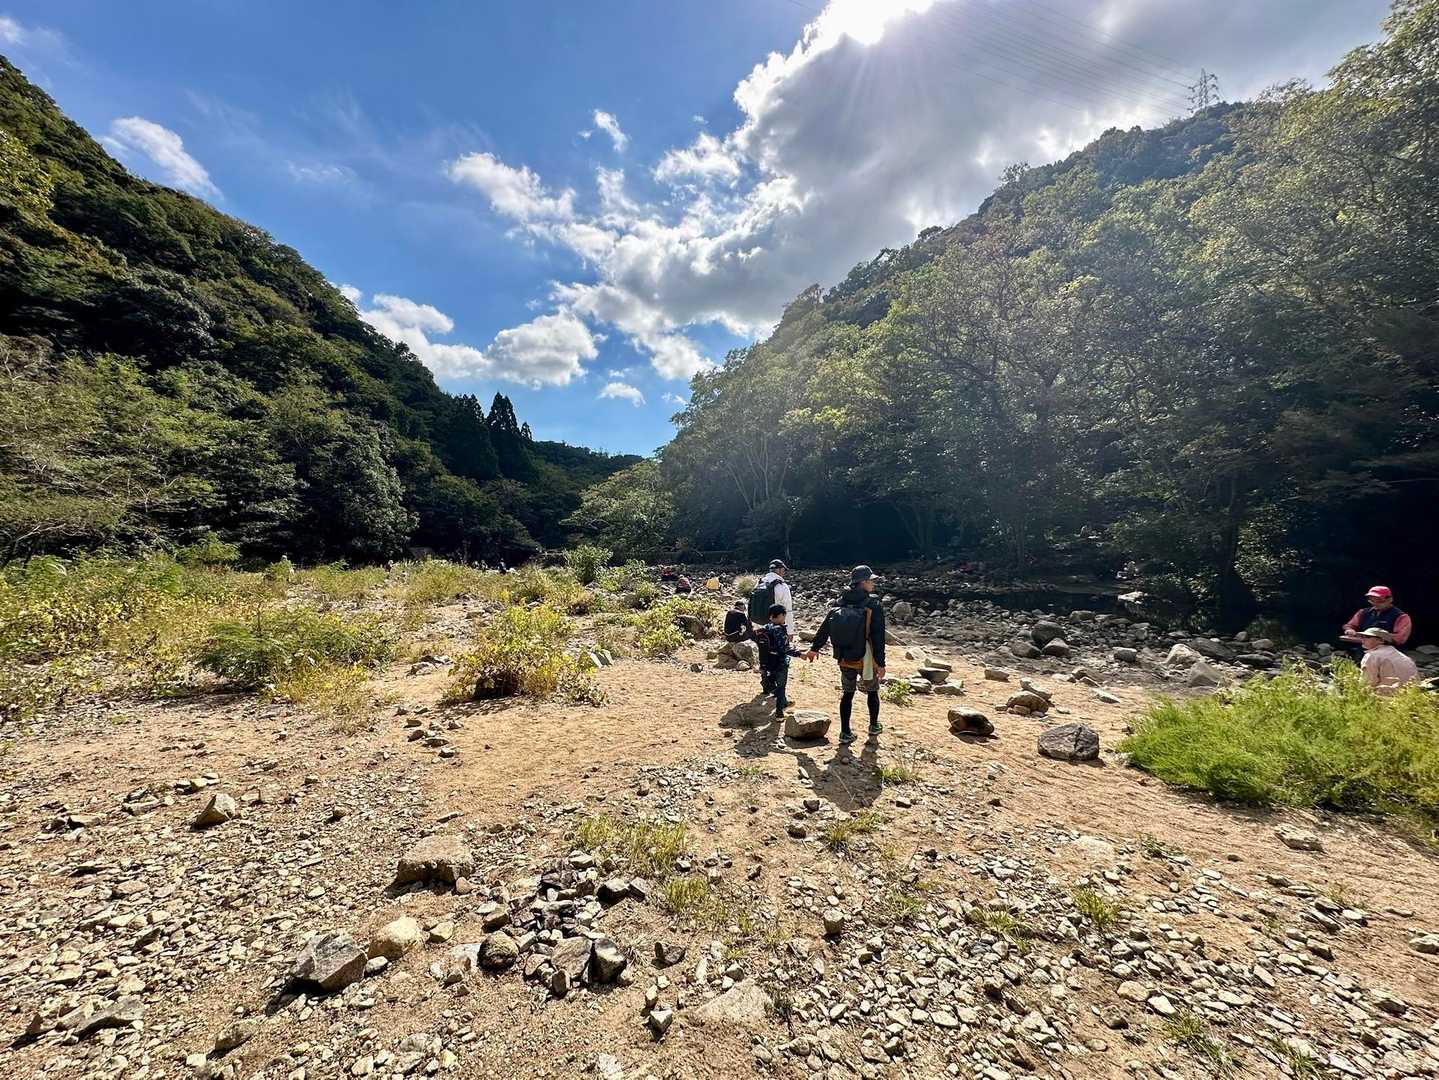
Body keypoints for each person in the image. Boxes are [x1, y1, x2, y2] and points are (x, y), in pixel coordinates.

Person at [806, 565, 886, 745]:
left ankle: (845, 732)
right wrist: (880, 663)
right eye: (871, 580)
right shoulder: (873, 604)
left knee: (847, 694)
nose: (873, 583)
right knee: (872, 691)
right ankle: (874, 726)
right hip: (866, 657)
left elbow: (825, 627)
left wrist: (814, 648)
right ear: (863, 582)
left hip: (845, 656)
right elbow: (878, 636)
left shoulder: (839, 602)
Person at [757, 603, 802, 718]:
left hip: (768, 661)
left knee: (775, 683)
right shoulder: (779, 630)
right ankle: (779, 714)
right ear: (781, 615)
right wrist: (800, 654)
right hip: (780, 661)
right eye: (784, 615)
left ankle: (783, 701)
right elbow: (785, 649)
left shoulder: (765, 628)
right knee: (781, 687)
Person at [1341, 585, 1411, 648]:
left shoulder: (1401, 616)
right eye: (1372, 601)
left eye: (1379, 601)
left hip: (1388, 652)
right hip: (1363, 651)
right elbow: (1349, 625)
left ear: (1390, 599)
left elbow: (1400, 638)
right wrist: (1349, 630)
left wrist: (1375, 638)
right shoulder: (1363, 612)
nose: (1375, 604)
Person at [1356, 627, 1419, 695]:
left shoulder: (1372, 656)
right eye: (1362, 636)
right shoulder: (1401, 655)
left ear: (1381, 641)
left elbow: (1367, 682)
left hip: (1387, 696)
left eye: (1367, 637)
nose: (1363, 639)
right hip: (1411, 695)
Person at [749, 559, 795, 640]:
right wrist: (790, 631)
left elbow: (752, 604)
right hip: (775, 628)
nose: (784, 572)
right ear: (779, 570)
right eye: (783, 570)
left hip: (759, 625)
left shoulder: (759, 583)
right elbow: (788, 610)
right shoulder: (782, 586)